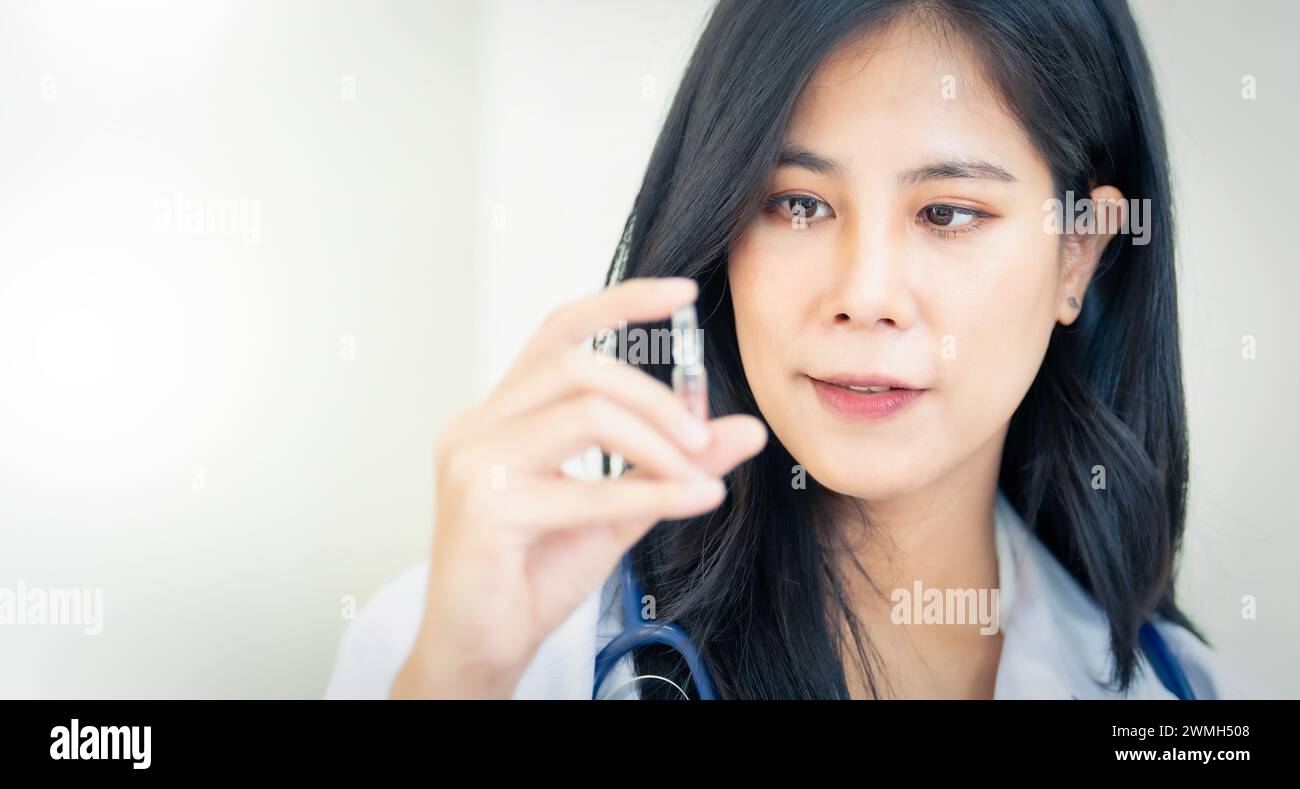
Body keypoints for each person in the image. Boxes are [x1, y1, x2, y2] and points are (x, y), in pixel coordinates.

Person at [325, 0, 1264, 699]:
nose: (862, 296)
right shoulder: (469, 650)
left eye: (948, 212)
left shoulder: (1186, 703)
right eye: (798, 205)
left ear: (1079, 252)